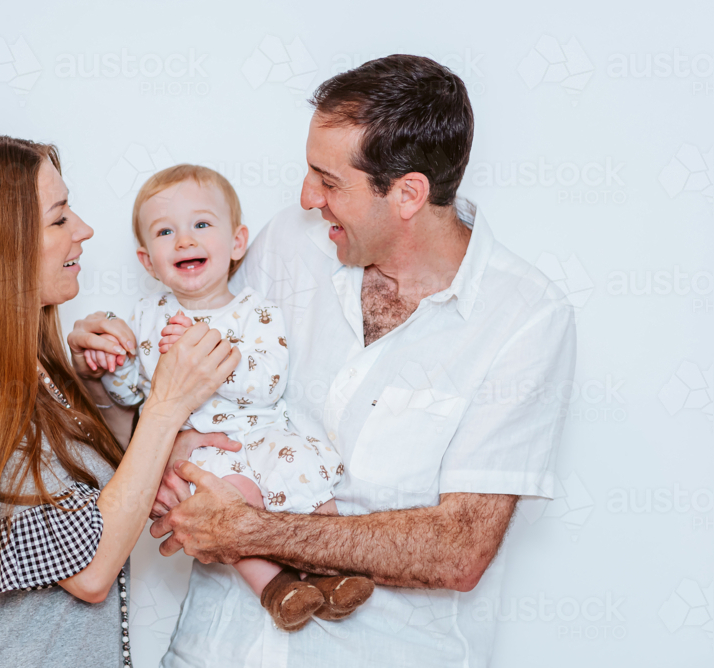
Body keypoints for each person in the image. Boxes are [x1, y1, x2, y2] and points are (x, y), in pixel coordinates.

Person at [149, 55, 578, 667]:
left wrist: (249, 531)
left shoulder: (525, 318)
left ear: (408, 194)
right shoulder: (289, 242)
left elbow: (458, 549)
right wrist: (112, 349)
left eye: (328, 181)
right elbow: (191, 351)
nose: (306, 196)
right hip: (213, 651)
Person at [0, 134, 240, 668]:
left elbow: (93, 504)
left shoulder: (31, 375)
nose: (84, 230)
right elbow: (88, 570)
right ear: (3, 245)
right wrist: (167, 405)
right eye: (60, 217)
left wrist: (100, 397)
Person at [87, 164, 374, 631]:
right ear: (147, 261)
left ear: (237, 242)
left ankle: (335, 572)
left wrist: (206, 350)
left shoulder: (254, 311)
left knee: (310, 477)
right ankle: (277, 589)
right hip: (202, 459)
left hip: (259, 437)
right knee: (223, 511)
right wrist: (114, 366)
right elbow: (133, 396)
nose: (184, 240)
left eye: (201, 225)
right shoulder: (145, 317)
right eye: (165, 231)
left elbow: (267, 383)